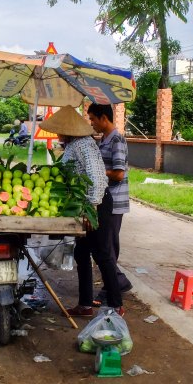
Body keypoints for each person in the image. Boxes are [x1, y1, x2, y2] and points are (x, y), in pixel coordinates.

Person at [38, 106, 120, 317]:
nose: (57, 134)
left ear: (68, 130)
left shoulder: (83, 144)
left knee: (102, 254)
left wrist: (92, 207)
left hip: (97, 204)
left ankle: (116, 304)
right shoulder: (73, 145)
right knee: (82, 253)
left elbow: (97, 175)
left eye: (58, 130)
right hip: (86, 206)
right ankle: (85, 304)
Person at [87, 104, 133, 304]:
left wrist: (96, 170)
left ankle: (111, 288)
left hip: (114, 202)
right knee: (102, 247)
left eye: (93, 119)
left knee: (108, 248)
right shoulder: (103, 140)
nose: (92, 123)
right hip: (104, 200)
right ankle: (119, 281)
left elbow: (119, 173)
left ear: (103, 118)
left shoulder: (117, 140)